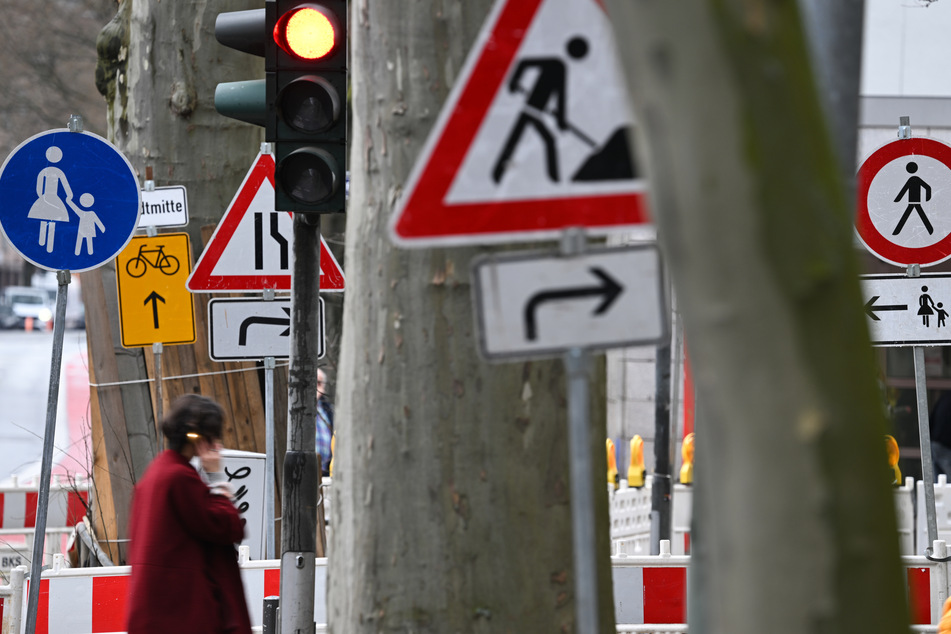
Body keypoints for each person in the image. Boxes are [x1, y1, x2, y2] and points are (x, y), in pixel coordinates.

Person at [126, 394, 252, 634]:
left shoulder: (154, 475)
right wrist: (216, 477)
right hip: (186, 614)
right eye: (213, 437)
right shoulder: (180, 478)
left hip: (158, 613)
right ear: (200, 439)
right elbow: (226, 527)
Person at [316, 368, 335, 477]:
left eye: (319, 383)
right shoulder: (295, 408)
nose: (316, 387)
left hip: (325, 472)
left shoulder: (327, 410)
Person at [932, 391, 951, 479]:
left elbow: (931, 418)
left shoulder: (945, 397)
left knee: (937, 478)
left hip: (935, 442)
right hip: (945, 445)